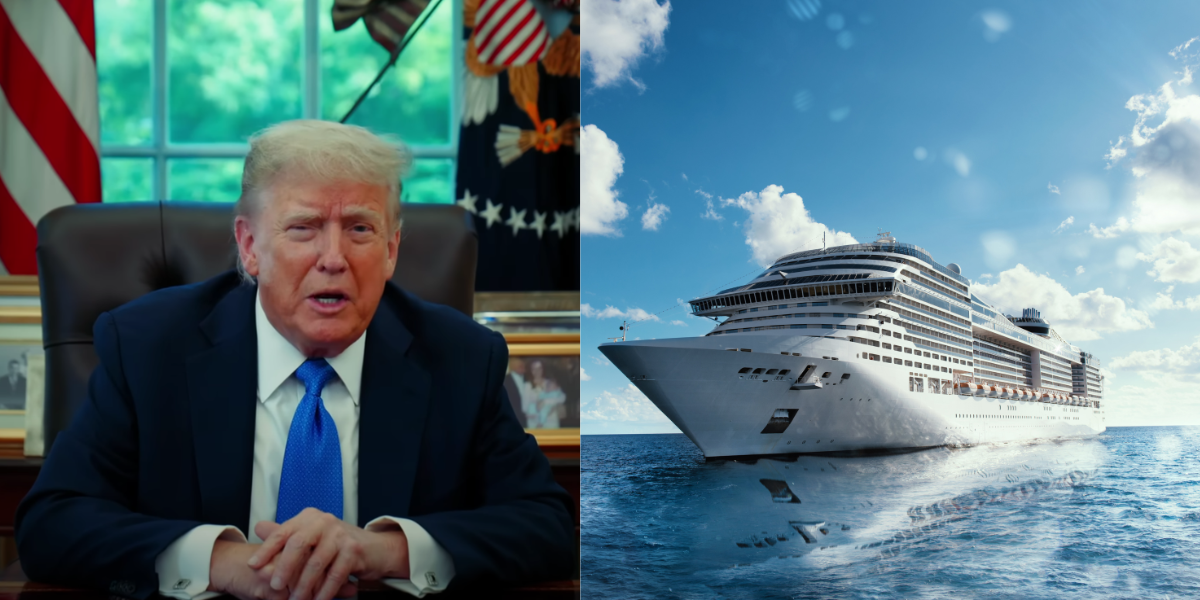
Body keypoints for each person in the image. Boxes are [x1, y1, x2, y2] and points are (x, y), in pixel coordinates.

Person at [15, 120, 574, 600]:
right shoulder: (147, 346)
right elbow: (52, 524)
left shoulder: (460, 357)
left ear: (391, 250)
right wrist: (223, 561)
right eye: (303, 228)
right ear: (250, 246)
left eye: (359, 228)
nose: (333, 259)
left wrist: (381, 549)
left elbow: (547, 526)